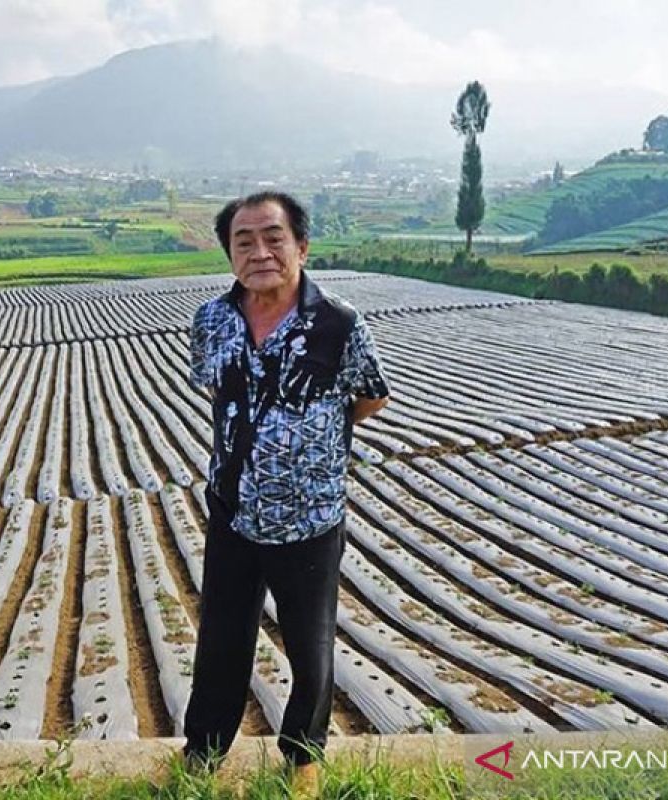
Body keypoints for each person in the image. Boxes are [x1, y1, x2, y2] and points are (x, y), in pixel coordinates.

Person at [182, 191, 390, 792]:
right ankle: (203, 755)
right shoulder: (211, 321)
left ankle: (303, 760)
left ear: (301, 246)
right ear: (228, 254)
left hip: (311, 518)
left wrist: (312, 439)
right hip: (233, 511)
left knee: (309, 646)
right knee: (221, 641)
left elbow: (370, 395)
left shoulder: (338, 324)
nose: (260, 251)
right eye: (243, 241)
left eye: (274, 237)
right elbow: (217, 392)